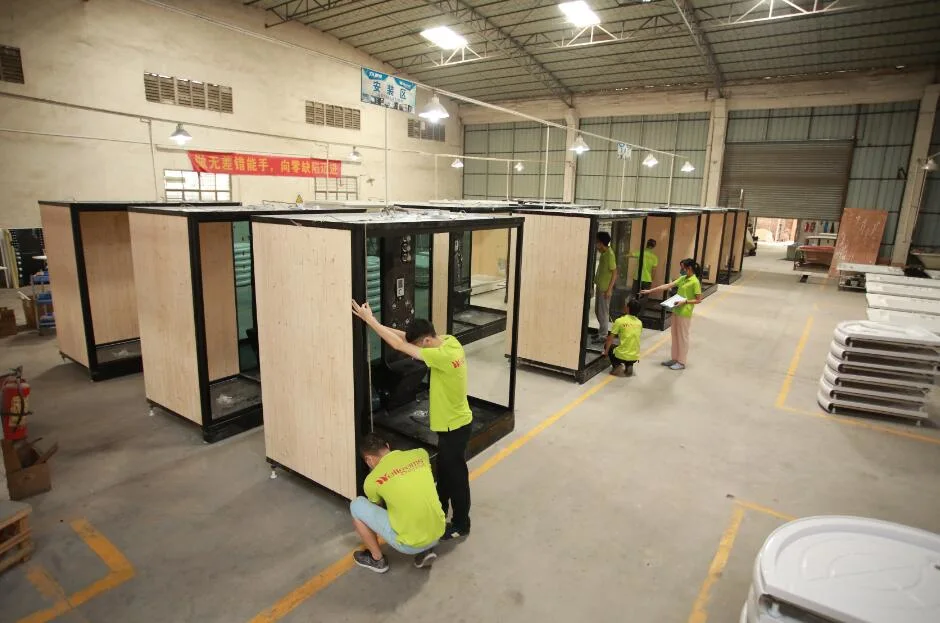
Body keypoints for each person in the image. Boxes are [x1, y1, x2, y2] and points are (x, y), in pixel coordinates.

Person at [351, 301, 473, 541]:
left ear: (426, 342)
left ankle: (461, 523)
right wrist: (377, 321)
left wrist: (369, 320)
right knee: (447, 473)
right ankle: (438, 513)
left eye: (417, 346)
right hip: (453, 423)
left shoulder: (443, 356)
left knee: (455, 476)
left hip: (454, 427)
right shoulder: (449, 341)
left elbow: (398, 344)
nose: (413, 349)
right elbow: (404, 339)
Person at [349, 432, 445, 573]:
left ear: (368, 460)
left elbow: (376, 509)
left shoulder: (372, 480)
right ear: (387, 446)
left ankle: (377, 560)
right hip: (438, 532)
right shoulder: (420, 454)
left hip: (410, 545)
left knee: (356, 506)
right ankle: (426, 549)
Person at [640, 258, 702, 371]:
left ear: (690, 268)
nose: (681, 270)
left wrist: (685, 301)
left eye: (683, 268)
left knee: (682, 337)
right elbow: (668, 285)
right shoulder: (683, 278)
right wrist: (650, 291)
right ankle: (675, 358)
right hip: (676, 310)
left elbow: (698, 300)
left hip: (685, 312)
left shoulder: (695, 282)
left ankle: (681, 362)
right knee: (675, 336)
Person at [602, 297, 643, 377]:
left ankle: (617, 365)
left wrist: (606, 352)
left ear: (627, 308)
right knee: (630, 345)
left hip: (621, 355)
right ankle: (629, 365)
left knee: (608, 346)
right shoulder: (639, 323)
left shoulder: (620, 321)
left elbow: (610, 339)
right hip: (635, 356)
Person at [593, 232, 618, 343]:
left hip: (605, 289)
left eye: (597, 242)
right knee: (598, 311)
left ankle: (603, 335)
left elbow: (615, 273)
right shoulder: (603, 253)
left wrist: (609, 290)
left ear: (601, 243)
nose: (595, 244)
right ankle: (601, 332)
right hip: (600, 287)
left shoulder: (610, 255)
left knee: (603, 312)